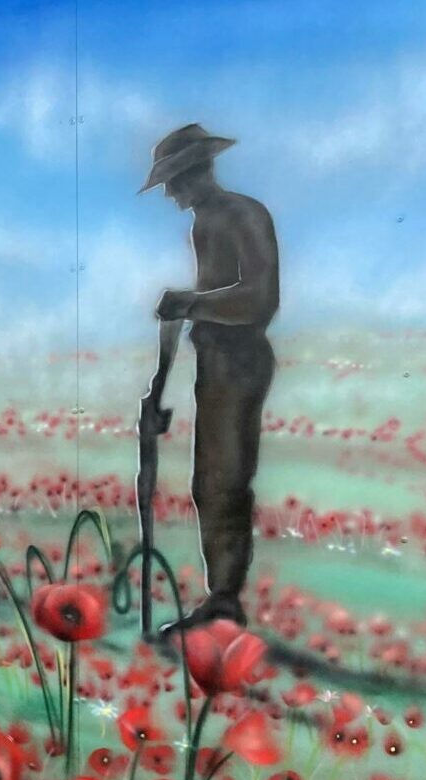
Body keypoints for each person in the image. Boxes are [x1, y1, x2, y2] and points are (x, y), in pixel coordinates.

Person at [142, 123, 278, 630]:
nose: (173, 193)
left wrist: (193, 303)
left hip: (241, 362)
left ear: (199, 171)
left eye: (176, 181)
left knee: (226, 478)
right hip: (215, 361)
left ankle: (225, 599)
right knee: (210, 482)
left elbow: (260, 300)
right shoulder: (204, 225)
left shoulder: (243, 215)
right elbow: (215, 302)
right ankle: (220, 595)